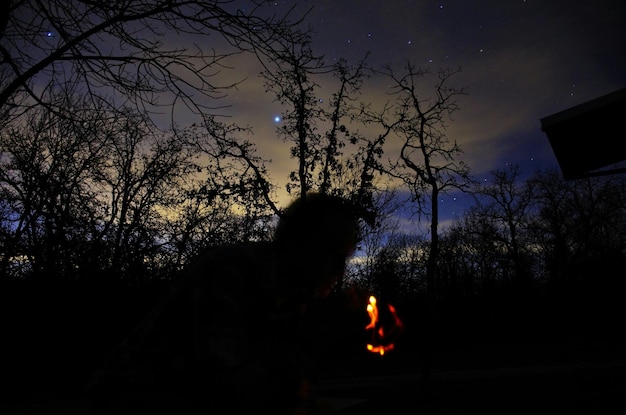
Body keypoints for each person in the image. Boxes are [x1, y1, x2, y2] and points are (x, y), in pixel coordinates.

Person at [88, 192, 360, 414]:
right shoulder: (228, 271)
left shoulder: (292, 298)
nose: (338, 272)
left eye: (343, 260)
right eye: (333, 255)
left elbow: (286, 381)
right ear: (300, 243)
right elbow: (226, 387)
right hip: (135, 393)